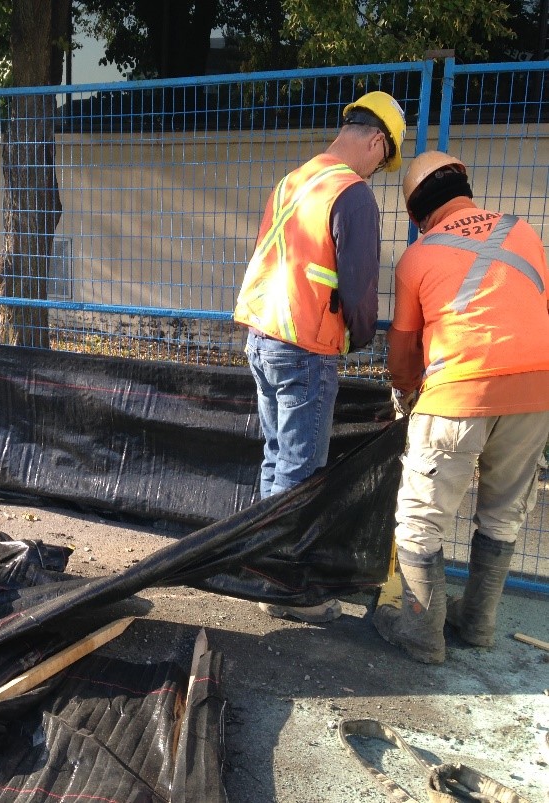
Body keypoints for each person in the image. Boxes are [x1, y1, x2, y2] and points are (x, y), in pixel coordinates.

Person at [234, 91, 407, 623]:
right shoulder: (351, 193)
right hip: (305, 348)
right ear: (377, 140)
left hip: (263, 336)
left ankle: (263, 569)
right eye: (384, 159)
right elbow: (359, 286)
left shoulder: (295, 179)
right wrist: (359, 336)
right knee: (301, 472)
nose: (378, 171)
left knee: (275, 460)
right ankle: (287, 592)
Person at [373, 150, 549, 663]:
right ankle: (477, 623)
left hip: (459, 389)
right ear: (464, 188)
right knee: (503, 513)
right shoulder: (525, 233)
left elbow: (403, 350)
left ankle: (422, 633)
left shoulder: (418, 256)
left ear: (416, 214)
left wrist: (408, 395)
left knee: (420, 518)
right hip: (536, 393)